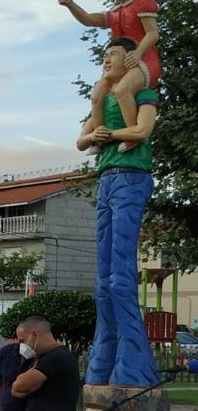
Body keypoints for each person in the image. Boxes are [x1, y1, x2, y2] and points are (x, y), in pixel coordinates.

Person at [76, 37, 163, 389]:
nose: (106, 61)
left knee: (121, 274)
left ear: (129, 58)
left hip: (132, 177)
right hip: (107, 179)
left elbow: (142, 131)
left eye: (112, 55)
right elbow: (82, 141)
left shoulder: (143, 93)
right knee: (103, 278)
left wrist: (107, 134)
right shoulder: (101, 97)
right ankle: (105, 357)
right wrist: (93, 135)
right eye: (104, 56)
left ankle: (132, 364)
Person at [60, 0, 160, 153]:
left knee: (122, 90)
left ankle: (132, 134)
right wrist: (71, 5)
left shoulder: (143, 2)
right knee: (97, 95)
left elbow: (153, 34)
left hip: (144, 58)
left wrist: (138, 52)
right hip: (118, 61)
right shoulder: (114, 12)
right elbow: (88, 20)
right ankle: (99, 138)